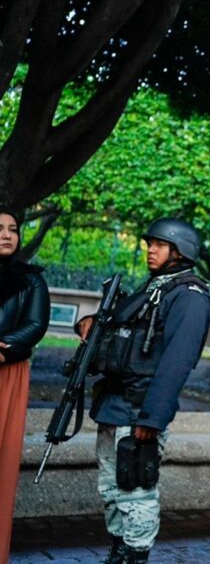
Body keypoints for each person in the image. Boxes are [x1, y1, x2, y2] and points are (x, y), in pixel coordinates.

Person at [78, 218, 210, 564]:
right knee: (111, 488)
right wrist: (90, 322)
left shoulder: (190, 296)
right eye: (149, 244)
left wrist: (152, 418)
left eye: (159, 244)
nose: (150, 250)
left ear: (180, 251)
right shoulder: (154, 288)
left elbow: (177, 363)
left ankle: (135, 556)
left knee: (136, 490)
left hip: (140, 411)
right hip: (114, 405)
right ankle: (119, 551)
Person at [0, 208, 49, 560]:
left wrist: (3, 350)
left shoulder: (31, 280)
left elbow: (35, 325)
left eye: (13, 229)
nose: (7, 234)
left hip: (7, 372)